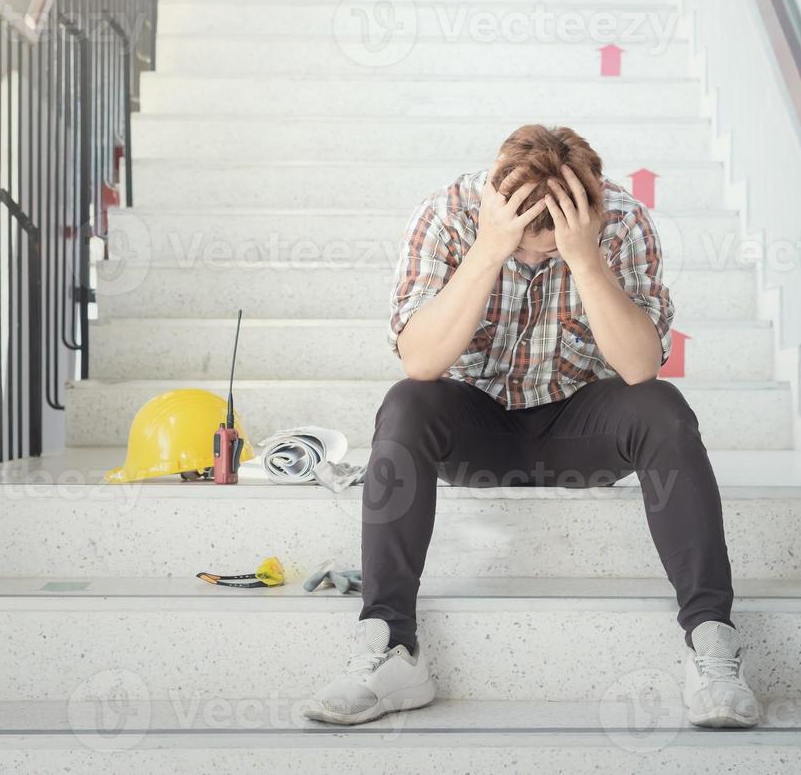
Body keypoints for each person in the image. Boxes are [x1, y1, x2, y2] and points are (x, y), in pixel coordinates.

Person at [303, 124, 760, 729]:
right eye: (525, 246)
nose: (534, 260)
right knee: (405, 403)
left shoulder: (621, 221)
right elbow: (421, 360)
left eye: (546, 251)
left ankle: (711, 647)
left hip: (581, 428)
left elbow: (639, 365)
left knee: (664, 409)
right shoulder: (446, 215)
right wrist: (489, 251)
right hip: (474, 429)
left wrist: (585, 257)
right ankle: (390, 645)